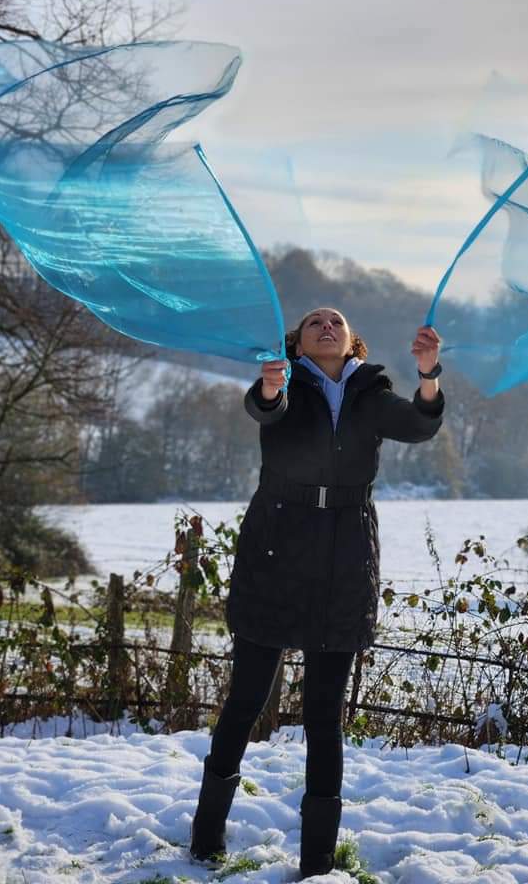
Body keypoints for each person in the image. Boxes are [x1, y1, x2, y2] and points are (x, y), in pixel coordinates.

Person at [190, 307, 444, 877]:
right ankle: (207, 834)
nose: (327, 326)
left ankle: (318, 861)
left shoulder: (371, 393)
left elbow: (421, 425)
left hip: (346, 557)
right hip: (276, 550)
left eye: (337, 322)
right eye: (314, 323)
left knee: (325, 714)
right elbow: (264, 407)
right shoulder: (286, 383)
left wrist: (429, 374)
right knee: (247, 699)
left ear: (353, 341)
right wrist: (271, 384)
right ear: (298, 345)